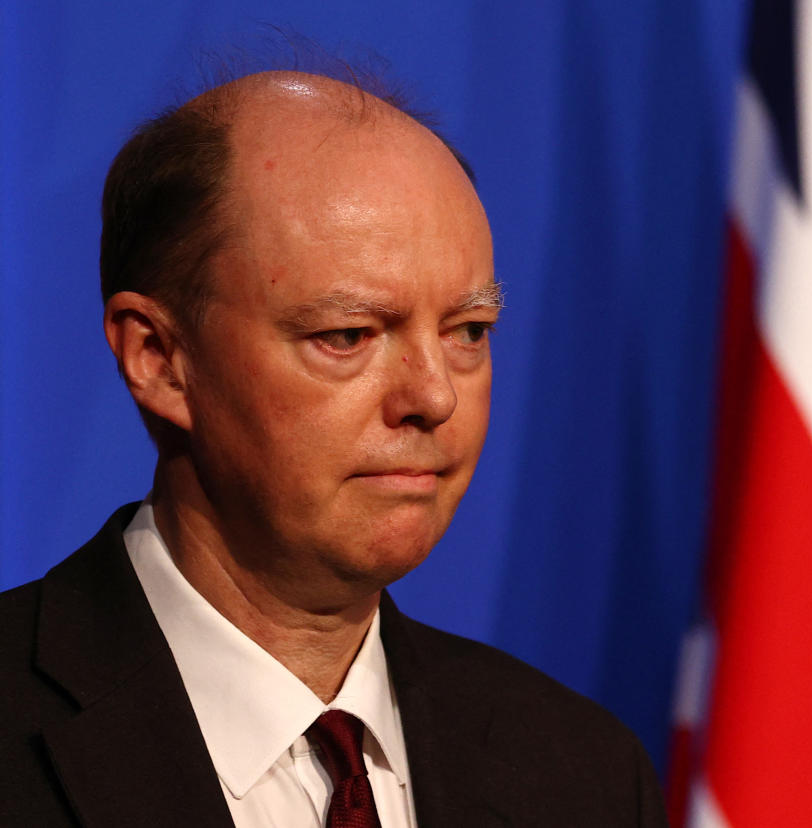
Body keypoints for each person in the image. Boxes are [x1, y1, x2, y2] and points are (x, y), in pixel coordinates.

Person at [0, 69, 666, 827]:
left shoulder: (583, 774)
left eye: (468, 332)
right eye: (348, 336)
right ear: (159, 357)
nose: (434, 397)